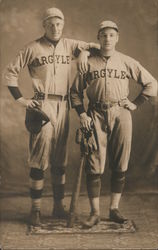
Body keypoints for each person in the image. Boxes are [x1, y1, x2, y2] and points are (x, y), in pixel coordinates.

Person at [4, 7, 99, 226]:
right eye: (50, 24)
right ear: (44, 26)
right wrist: (22, 100)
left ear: (63, 25)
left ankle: (58, 207)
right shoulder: (33, 47)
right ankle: (35, 211)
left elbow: (96, 47)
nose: (55, 28)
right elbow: (10, 72)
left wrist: (83, 52)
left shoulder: (70, 45)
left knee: (59, 160)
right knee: (39, 159)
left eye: (59, 24)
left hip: (64, 105)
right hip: (43, 105)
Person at [70, 20, 157, 228]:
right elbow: (74, 93)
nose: (107, 39)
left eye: (111, 35)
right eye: (103, 35)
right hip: (95, 114)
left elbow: (152, 84)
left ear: (117, 38)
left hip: (121, 112)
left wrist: (136, 103)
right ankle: (95, 213)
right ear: (98, 38)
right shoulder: (88, 61)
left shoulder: (126, 61)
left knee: (120, 162)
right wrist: (82, 114)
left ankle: (114, 208)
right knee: (94, 163)